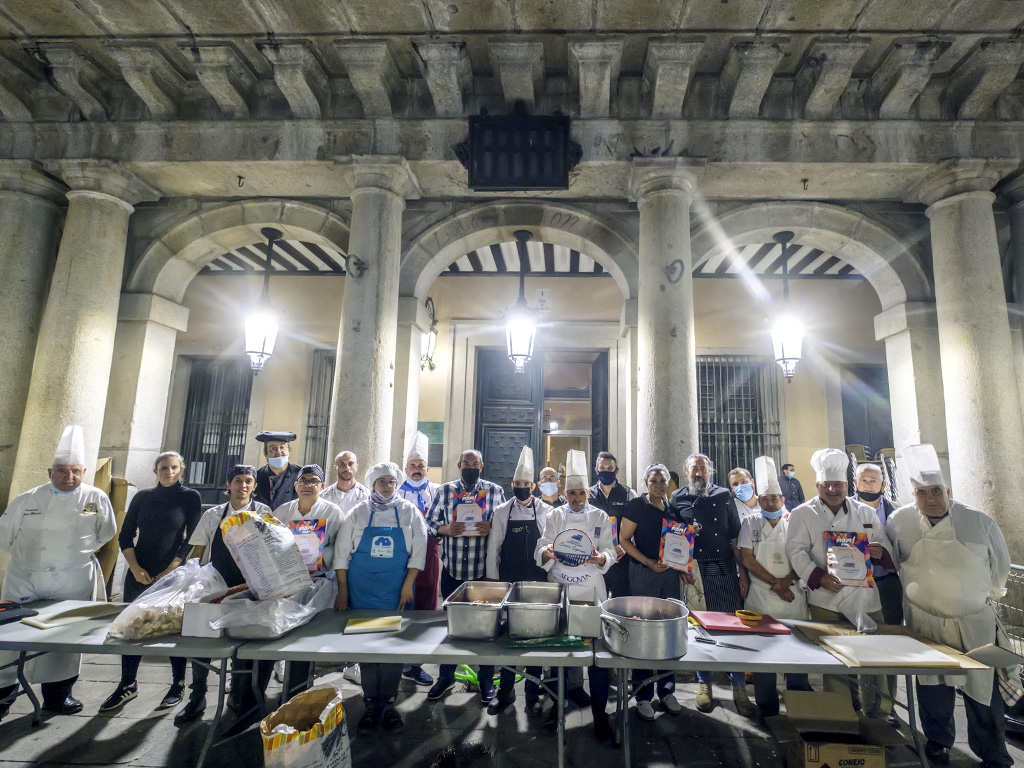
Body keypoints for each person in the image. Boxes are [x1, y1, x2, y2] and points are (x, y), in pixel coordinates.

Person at [886, 444, 1017, 768]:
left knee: (982, 692)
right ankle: (938, 744)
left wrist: (981, 595)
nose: (929, 499)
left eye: (935, 491)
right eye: (921, 493)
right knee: (933, 688)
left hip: (974, 623)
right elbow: (896, 559)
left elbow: (1000, 567)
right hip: (925, 623)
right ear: (913, 495)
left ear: (948, 491)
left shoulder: (978, 521)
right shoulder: (899, 521)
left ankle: (993, 753)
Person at [0, 426, 117, 720]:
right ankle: (2, 698)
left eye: (76, 471)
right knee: (10, 641)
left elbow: (106, 533)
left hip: (72, 581)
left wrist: (74, 557)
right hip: (24, 581)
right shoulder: (27, 499)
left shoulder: (96, 498)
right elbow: (4, 538)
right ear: (50, 472)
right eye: (62, 471)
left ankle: (57, 697)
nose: (69, 477)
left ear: (84, 471)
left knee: (65, 640)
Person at [785, 448, 895, 717]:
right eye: (826, 485)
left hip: (866, 599)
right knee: (835, 663)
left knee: (876, 657)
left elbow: (884, 544)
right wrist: (817, 576)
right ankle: (843, 714)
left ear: (847, 485)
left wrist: (880, 551)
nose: (832, 490)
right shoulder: (803, 513)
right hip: (826, 601)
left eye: (838, 484)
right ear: (817, 486)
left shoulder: (865, 513)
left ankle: (879, 712)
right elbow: (795, 550)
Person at [100, 452, 203, 714]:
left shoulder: (190, 497)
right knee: (132, 627)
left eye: (174, 467)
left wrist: (172, 568)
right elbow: (125, 536)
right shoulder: (143, 497)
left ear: (182, 469)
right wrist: (135, 568)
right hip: (140, 571)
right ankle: (128, 683)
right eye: (163, 468)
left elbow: (191, 537)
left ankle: (178, 683)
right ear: (155, 471)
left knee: (173, 627)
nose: (169, 472)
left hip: (172, 572)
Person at [335, 462, 427, 732]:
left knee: (392, 646)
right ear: (373, 484)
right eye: (381, 481)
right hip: (362, 588)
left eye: (391, 481)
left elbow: (418, 552)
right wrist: (343, 590)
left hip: (395, 589)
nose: (387, 486)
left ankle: (387, 703)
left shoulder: (409, 511)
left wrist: (408, 585)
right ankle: (369, 702)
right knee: (367, 645)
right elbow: (341, 553)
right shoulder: (358, 512)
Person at [536, 449, 616, 741]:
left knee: (596, 655)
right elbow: (542, 545)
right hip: (561, 590)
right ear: (565, 494)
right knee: (559, 651)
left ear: (588, 493)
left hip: (592, 591)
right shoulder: (555, 515)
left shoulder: (600, 516)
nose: (577, 498)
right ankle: (556, 708)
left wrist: (602, 558)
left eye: (581, 493)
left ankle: (600, 716)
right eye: (572, 493)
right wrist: (546, 552)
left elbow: (610, 551)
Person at [184, 465, 272, 730]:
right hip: (216, 586)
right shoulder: (213, 515)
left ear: (254, 486)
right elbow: (197, 552)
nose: (242, 486)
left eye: (248, 481)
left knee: (242, 645)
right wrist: (191, 582)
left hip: (250, 587)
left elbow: (271, 549)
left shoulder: (263, 513)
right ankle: (197, 696)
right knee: (202, 645)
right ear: (228, 484)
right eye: (238, 481)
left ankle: (238, 695)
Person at [667, 452, 753, 716]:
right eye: (694, 468)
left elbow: (736, 537)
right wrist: (681, 566)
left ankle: (739, 687)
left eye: (703, 468)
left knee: (732, 630)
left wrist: (743, 573)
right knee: (700, 630)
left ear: (710, 471)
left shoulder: (724, 495)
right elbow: (673, 536)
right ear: (686, 470)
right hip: (695, 571)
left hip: (724, 567)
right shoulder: (676, 498)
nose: (698, 473)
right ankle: (704, 684)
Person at [425, 449, 504, 703]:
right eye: (466, 463)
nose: (471, 467)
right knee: (450, 626)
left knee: (486, 627)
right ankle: (446, 676)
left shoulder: (495, 491)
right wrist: (445, 529)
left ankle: (486, 679)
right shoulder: (445, 491)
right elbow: (429, 522)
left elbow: (504, 526)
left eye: (475, 463)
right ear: (459, 465)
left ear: (482, 465)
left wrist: (492, 527)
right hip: (453, 570)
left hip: (483, 572)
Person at [738, 456, 811, 718]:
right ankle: (767, 709)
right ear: (759, 500)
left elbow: (805, 557)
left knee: (797, 656)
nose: (770, 503)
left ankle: (801, 708)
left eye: (774, 498)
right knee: (763, 657)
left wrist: (786, 582)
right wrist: (775, 584)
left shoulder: (794, 522)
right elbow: (747, 559)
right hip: (761, 597)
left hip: (793, 598)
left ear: (782, 499)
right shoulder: (750, 523)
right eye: (765, 499)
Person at [485, 446, 551, 716]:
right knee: (510, 635)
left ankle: (533, 691)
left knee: (535, 634)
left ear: (533, 486)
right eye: (518, 484)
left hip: (537, 580)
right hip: (509, 579)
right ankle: (506, 690)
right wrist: (493, 580)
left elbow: (549, 545)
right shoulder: (502, 511)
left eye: (526, 484)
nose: (522, 488)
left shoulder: (546, 510)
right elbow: (494, 546)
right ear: (512, 485)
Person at [619, 463, 683, 721]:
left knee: (670, 630)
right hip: (644, 573)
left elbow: (681, 542)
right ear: (646, 483)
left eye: (662, 481)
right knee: (643, 629)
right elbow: (624, 539)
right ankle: (642, 694)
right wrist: (647, 562)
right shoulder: (636, 505)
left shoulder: (672, 508)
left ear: (669, 483)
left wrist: (684, 566)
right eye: (653, 481)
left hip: (669, 576)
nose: (658, 485)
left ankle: (667, 690)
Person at [274, 464, 343, 698]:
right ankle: (289, 690)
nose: (307, 485)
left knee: (309, 637)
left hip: (318, 582)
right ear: (296, 485)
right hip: (288, 582)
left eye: (313, 481)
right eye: (303, 480)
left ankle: (303, 692)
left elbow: (342, 550)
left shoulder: (333, 512)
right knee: (288, 632)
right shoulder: (282, 512)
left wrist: (322, 553)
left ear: (322, 486)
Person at [853, 462, 901, 725]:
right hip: (855, 586)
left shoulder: (897, 513)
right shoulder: (845, 509)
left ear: (883, 484)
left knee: (888, 644)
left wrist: (884, 554)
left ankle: (886, 706)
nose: (868, 484)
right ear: (855, 482)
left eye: (874, 480)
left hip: (887, 584)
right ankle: (857, 703)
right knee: (856, 644)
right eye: (864, 479)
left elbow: (902, 548)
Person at [397, 432, 440, 687]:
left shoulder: (437, 491)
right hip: (400, 555)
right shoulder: (395, 492)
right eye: (412, 466)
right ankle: (394, 660)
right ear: (406, 469)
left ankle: (415, 664)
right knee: (401, 604)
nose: (416, 470)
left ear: (427, 469)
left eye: (420, 466)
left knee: (426, 605)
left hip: (429, 554)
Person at [588, 452, 635, 600]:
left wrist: (627, 546)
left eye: (610, 468)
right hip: (595, 558)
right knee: (596, 600)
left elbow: (636, 525)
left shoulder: (629, 494)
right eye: (602, 468)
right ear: (596, 470)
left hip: (621, 558)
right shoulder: (588, 495)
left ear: (616, 471)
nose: (606, 471)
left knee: (621, 602)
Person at [254, 430, 302, 511]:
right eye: (273, 448)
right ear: (265, 453)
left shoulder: (300, 474)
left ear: (289, 450)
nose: (278, 452)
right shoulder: (256, 476)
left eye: (282, 447)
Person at [320, 450, 370, 516]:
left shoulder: (367, 496)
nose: (347, 468)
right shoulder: (322, 496)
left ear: (356, 467)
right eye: (342, 464)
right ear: (335, 468)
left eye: (350, 464)